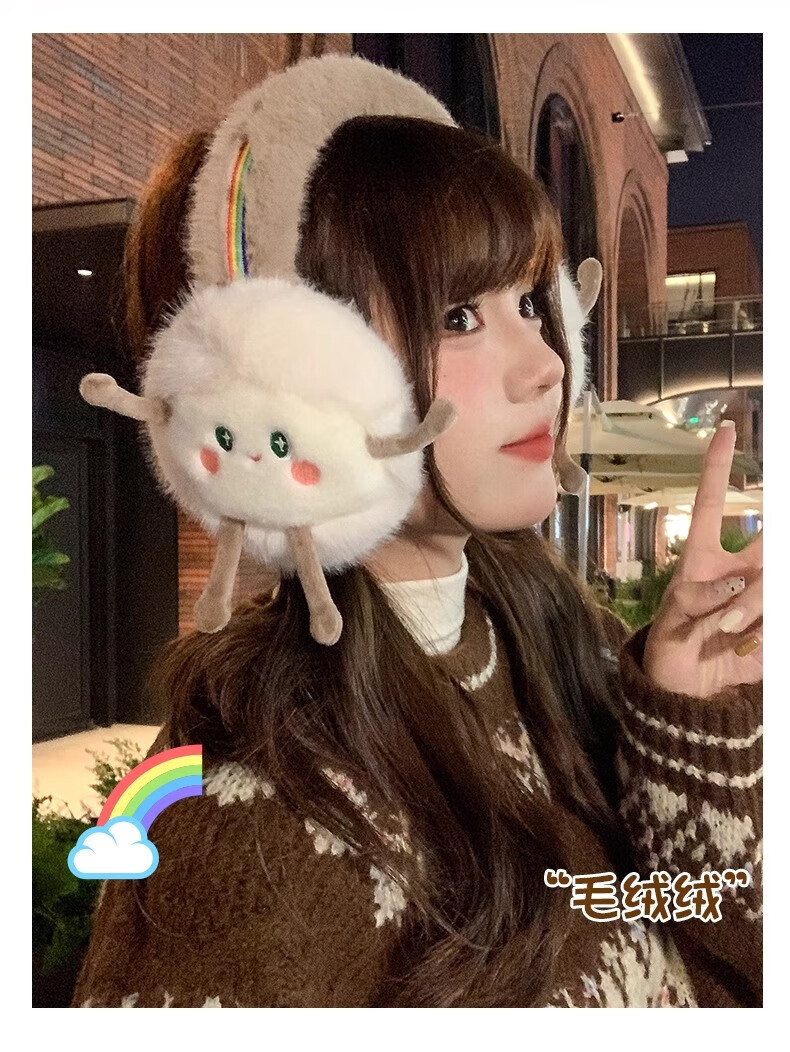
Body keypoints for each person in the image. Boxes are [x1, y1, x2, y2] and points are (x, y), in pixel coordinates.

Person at [71, 59, 762, 1009]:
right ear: (288, 394)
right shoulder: (258, 821)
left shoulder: (563, 636)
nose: (544, 365)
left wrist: (689, 730)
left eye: (531, 303)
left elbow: (726, 958)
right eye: (458, 315)